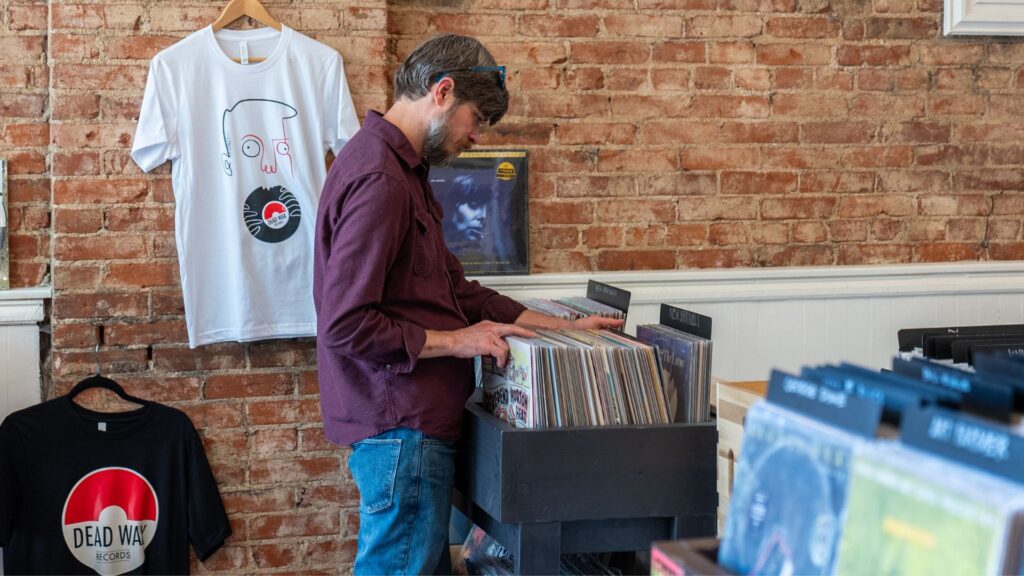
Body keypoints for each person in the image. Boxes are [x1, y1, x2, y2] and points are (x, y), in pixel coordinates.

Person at [313, 33, 622, 574]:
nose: (475, 137)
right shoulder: (381, 178)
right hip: (401, 428)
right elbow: (346, 323)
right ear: (443, 91)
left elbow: (456, 291)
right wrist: (459, 341)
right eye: (475, 119)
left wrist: (563, 328)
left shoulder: (403, 172)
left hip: (411, 427)